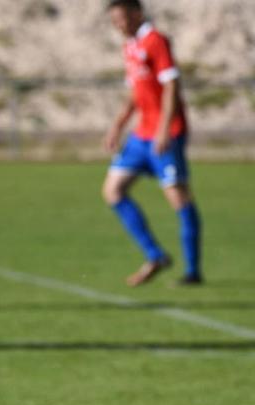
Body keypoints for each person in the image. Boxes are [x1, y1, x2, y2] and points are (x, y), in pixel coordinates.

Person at [103, 0, 202, 286]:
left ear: (137, 14)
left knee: (178, 197)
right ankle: (155, 254)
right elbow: (135, 92)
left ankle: (193, 271)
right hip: (141, 134)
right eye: (114, 21)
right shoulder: (130, 46)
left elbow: (171, 85)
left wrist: (163, 130)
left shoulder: (156, 41)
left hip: (166, 132)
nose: (118, 25)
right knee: (113, 191)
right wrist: (117, 126)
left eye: (121, 19)